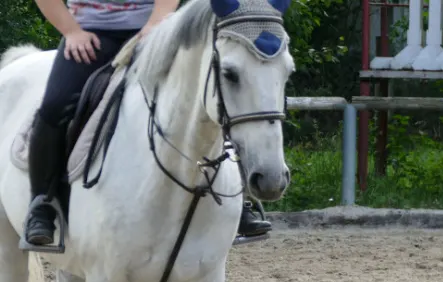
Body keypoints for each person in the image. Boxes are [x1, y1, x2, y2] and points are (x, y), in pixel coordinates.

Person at [24, 0, 272, 249]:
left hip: (158, 31)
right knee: (55, 106)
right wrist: (71, 31)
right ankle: (43, 204)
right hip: (90, 35)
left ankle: (236, 201)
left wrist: (156, 23)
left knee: (210, 95)